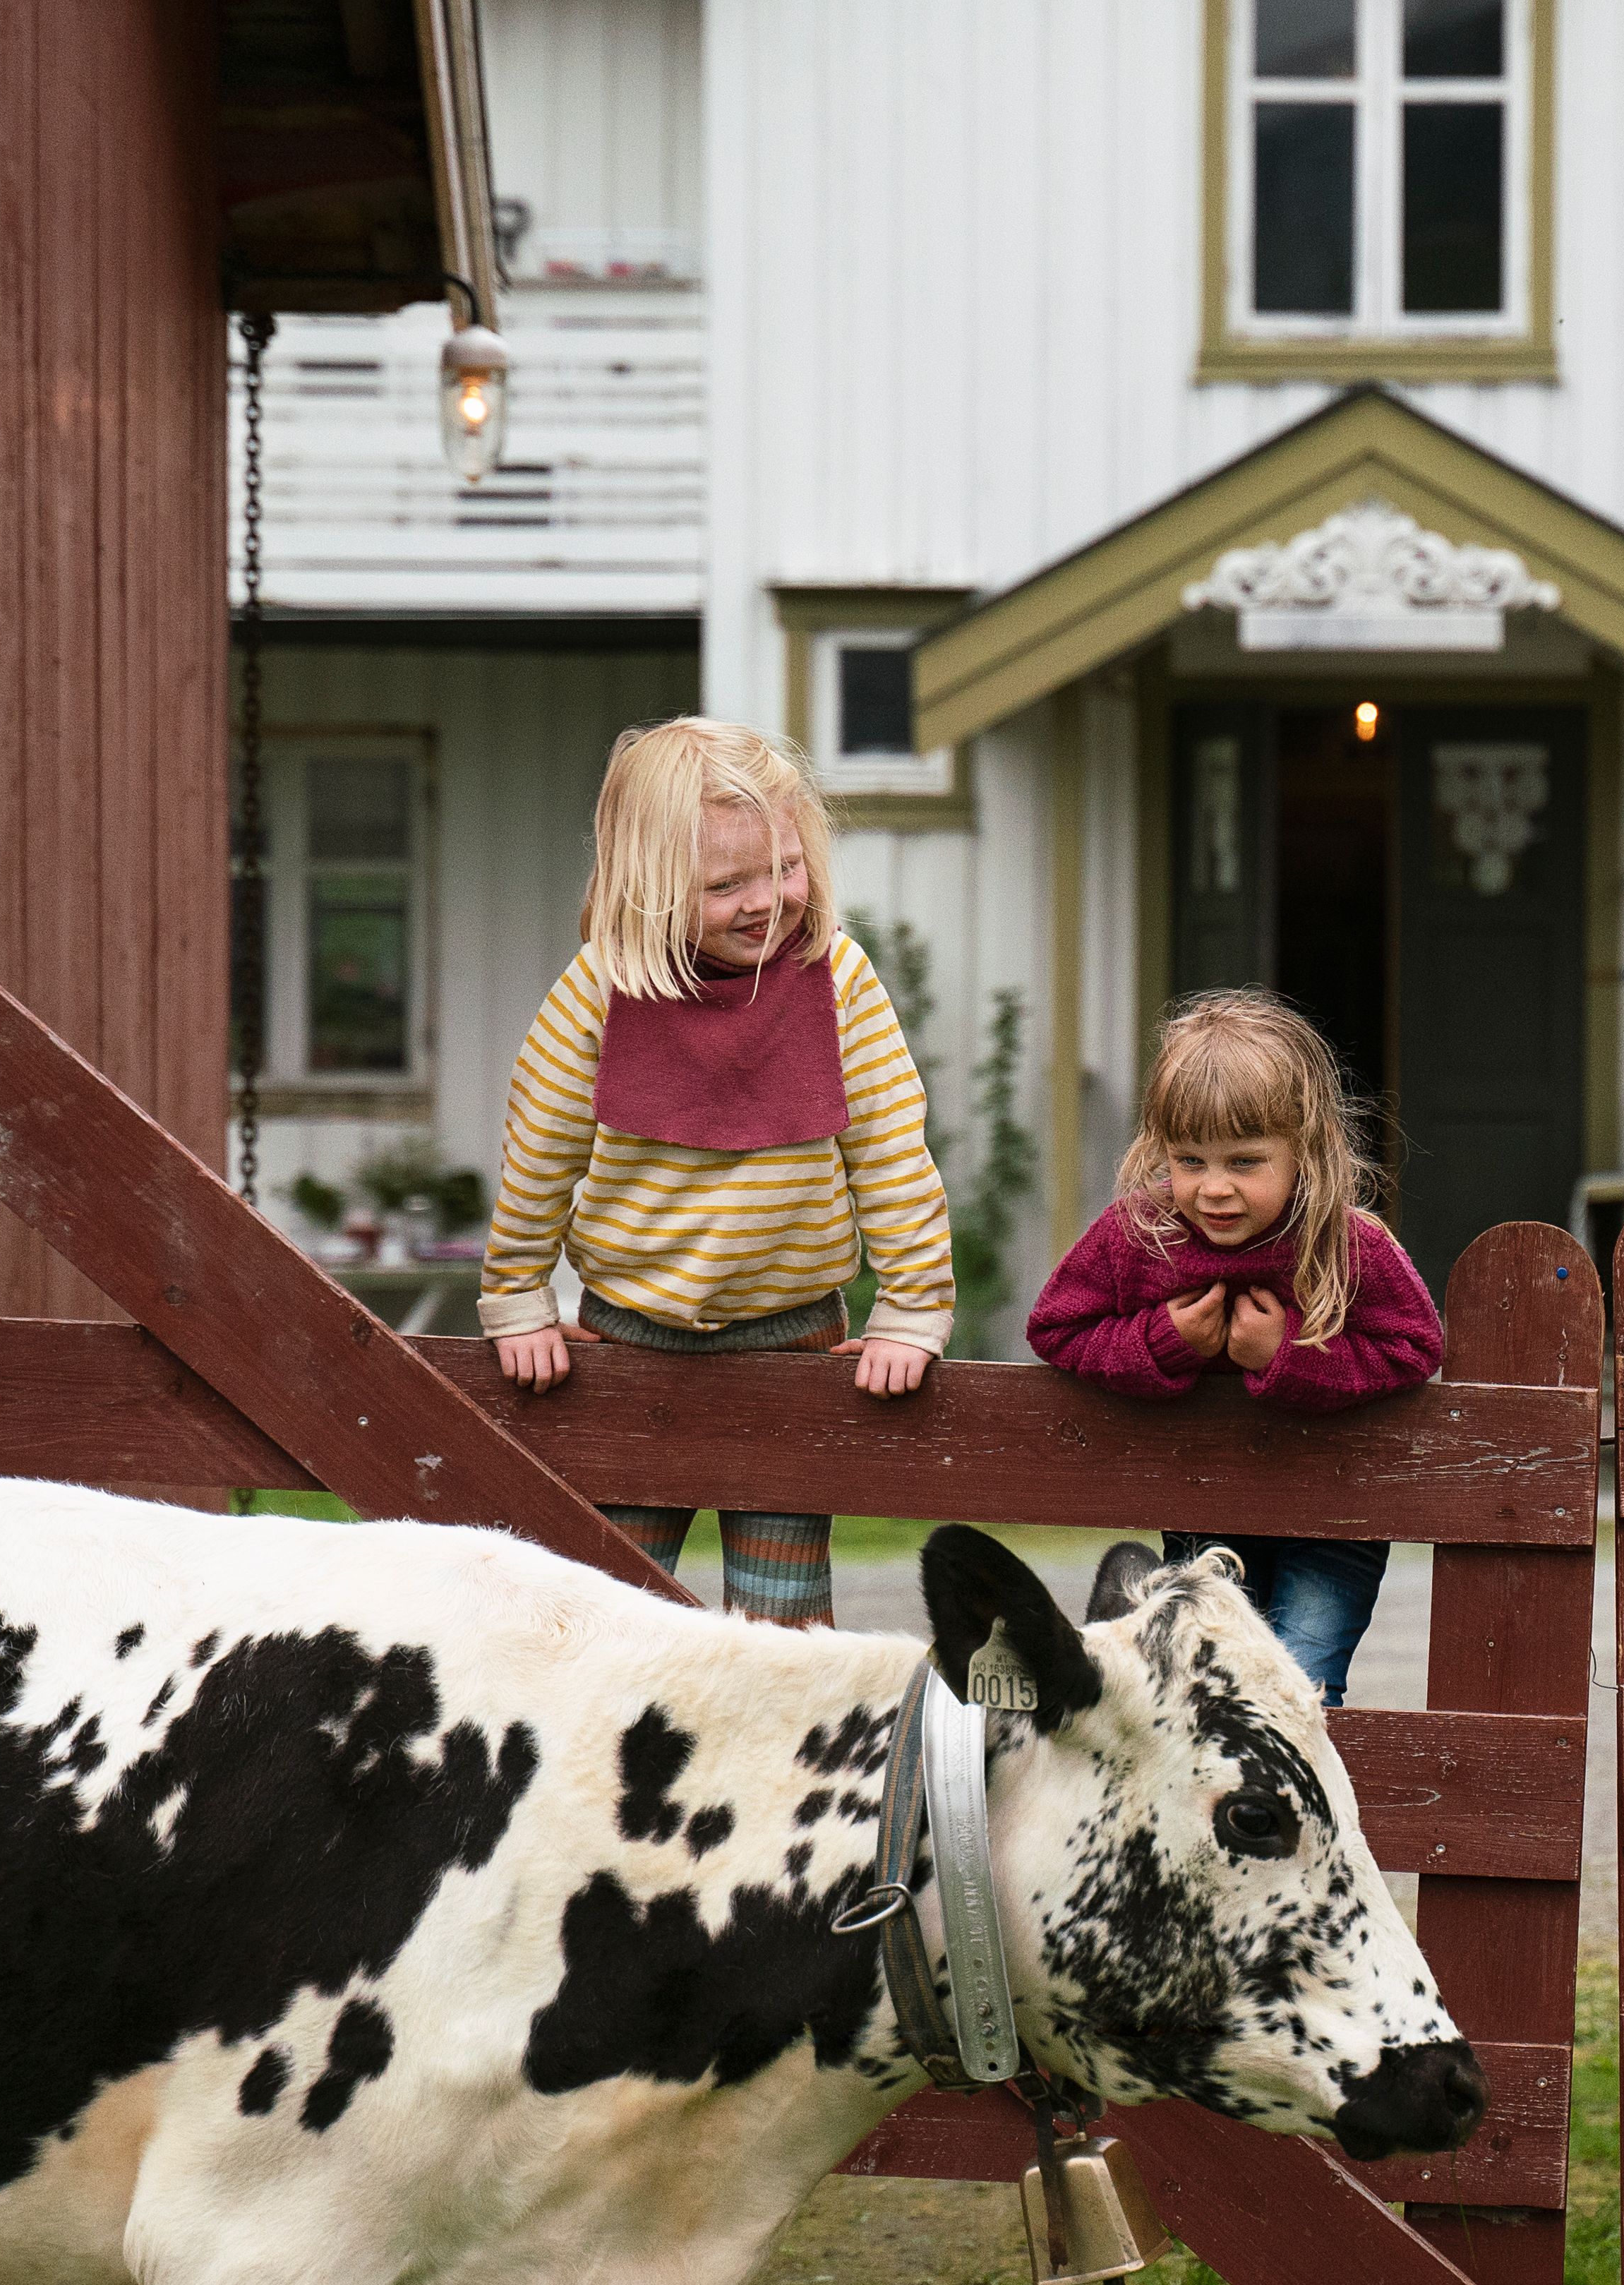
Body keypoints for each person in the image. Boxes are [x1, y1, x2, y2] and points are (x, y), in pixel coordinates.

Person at [479, 719, 949, 1623]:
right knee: (603, 1608)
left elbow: (892, 1148)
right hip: (627, 1343)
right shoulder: (602, 990)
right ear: (647, 891)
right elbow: (539, 1145)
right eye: (725, 884)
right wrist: (517, 1297)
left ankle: (773, 1764)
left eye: (784, 867)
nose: (767, 899)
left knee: (784, 1624)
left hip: (791, 1342)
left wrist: (912, 1307)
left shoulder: (835, 978)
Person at [1024, 990, 1442, 1705]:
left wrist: (1286, 1354)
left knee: (1300, 1689)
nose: (1213, 1189)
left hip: (1333, 1516)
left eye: (1245, 1162)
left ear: (1302, 1151)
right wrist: (1164, 1341)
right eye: (1189, 1160)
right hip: (1205, 1504)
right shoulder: (1140, 1234)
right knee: (1200, 1692)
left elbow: (1414, 1346)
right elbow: (1057, 1328)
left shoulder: (1345, 1244)